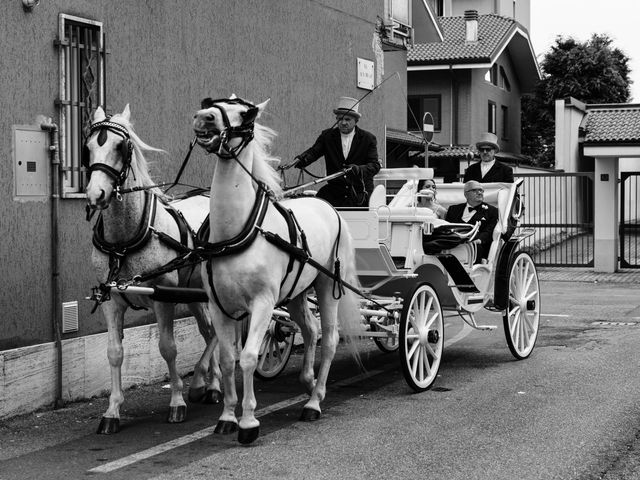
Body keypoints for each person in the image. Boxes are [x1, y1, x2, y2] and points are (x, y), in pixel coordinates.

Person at [292, 96, 380, 207]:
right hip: (334, 192)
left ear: (356, 121)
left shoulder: (368, 138)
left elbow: (375, 166)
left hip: (360, 193)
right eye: (340, 119)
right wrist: (301, 160)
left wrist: (358, 170)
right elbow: (313, 152)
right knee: (316, 206)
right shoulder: (327, 136)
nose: (343, 122)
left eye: (347, 119)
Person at [444, 180, 499, 262]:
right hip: (454, 243)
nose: (479, 193)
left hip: (477, 246)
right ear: (466, 194)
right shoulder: (453, 209)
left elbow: (489, 231)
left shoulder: (492, 211)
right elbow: (447, 228)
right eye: (474, 190)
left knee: (476, 248)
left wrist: (479, 240)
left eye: (481, 190)